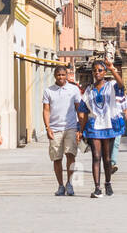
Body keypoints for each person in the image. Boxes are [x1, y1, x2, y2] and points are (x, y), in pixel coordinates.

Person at [79, 59, 121, 197]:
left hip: (109, 125)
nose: (97, 73)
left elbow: (122, 86)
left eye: (100, 70)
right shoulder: (88, 91)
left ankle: (108, 182)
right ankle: (97, 188)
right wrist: (81, 130)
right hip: (94, 126)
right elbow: (84, 112)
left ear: (105, 72)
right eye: (94, 70)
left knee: (107, 158)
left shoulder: (112, 86)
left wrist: (112, 69)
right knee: (96, 156)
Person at [43, 64, 81, 196]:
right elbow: (46, 110)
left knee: (71, 155)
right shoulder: (48, 91)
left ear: (67, 75)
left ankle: (69, 183)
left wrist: (80, 128)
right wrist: (47, 127)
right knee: (56, 158)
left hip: (70, 127)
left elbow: (79, 109)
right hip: (55, 128)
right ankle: (60, 185)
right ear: (55, 76)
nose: (61, 77)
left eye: (63, 75)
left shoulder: (74, 89)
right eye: (58, 75)